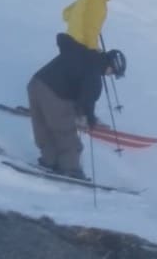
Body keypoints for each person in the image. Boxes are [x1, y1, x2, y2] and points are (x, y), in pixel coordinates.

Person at [27, 37, 126, 180]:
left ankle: (49, 161)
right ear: (111, 66)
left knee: (43, 128)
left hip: (35, 84)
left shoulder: (84, 53)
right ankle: (71, 170)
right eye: (113, 73)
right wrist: (90, 119)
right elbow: (86, 101)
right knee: (66, 134)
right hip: (55, 94)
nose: (110, 75)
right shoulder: (94, 77)